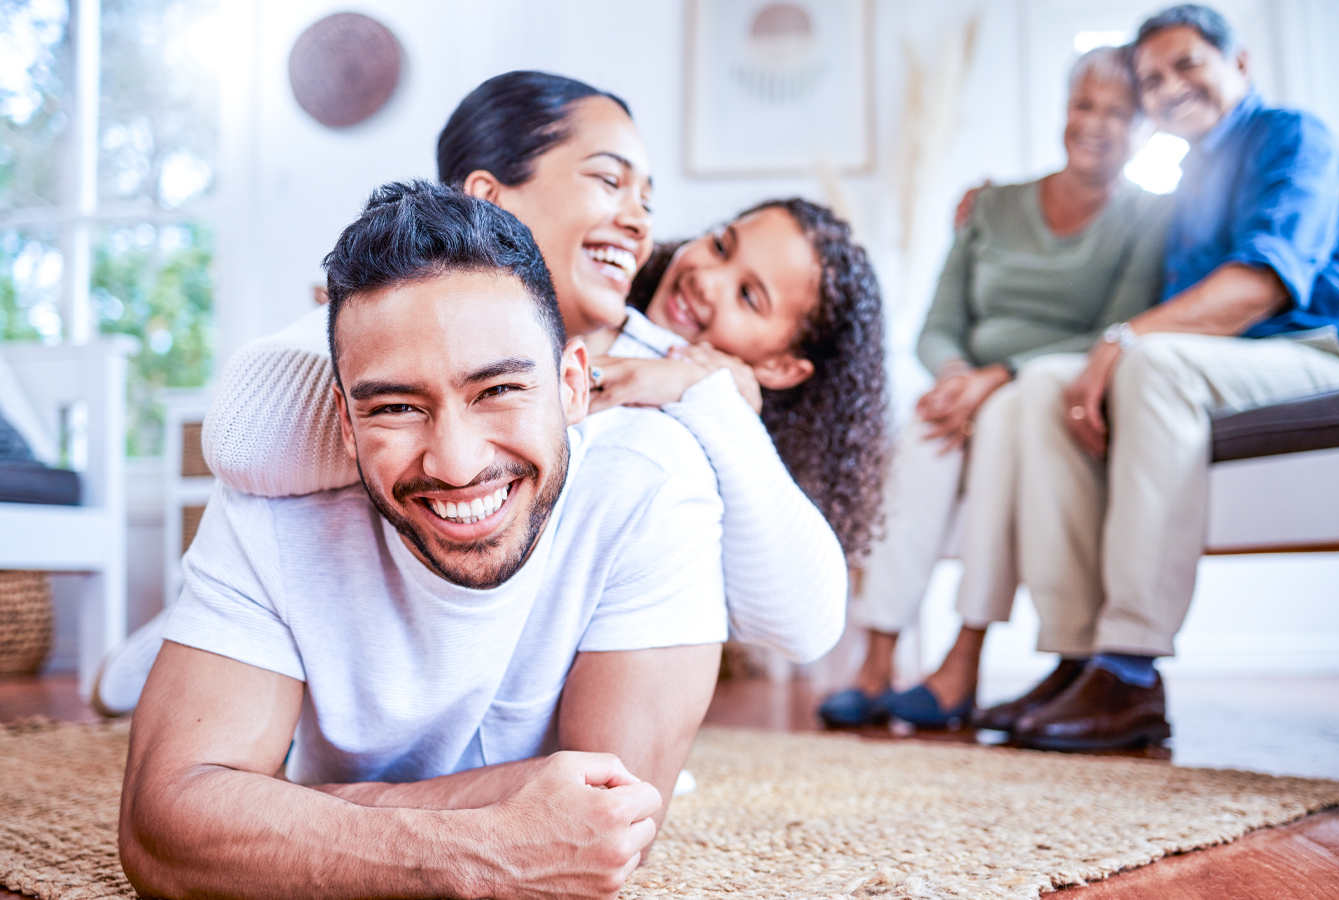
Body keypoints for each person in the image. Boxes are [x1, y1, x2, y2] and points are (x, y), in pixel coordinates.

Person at [91, 71, 886, 715]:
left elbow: (806, 621)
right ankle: (213, 623)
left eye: (647, 200)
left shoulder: (669, 378)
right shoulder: (402, 304)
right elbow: (243, 442)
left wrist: (702, 393)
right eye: (611, 182)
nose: (644, 227)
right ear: (487, 198)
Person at [120, 181, 728, 899]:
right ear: (345, 424)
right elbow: (163, 831)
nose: (457, 463)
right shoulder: (272, 504)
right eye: (398, 407)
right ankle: (131, 668)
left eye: (497, 390)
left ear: (572, 386)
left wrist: (285, 806)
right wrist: (479, 848)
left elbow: (607, 824)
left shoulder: (654, 484)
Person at [991, 4, 1339, 750]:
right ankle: (1076, 651)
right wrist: (996, 203)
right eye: (1151, 79)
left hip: (1326, 352)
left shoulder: (1294, 138)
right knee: (1043, 386)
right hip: (1233, 366)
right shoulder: (1186, 184)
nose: (1170, 86)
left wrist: (1122, 341)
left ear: (1237, 63)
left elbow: (1258, 289)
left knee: (1150, 361)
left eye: (1187, 64)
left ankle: (1130, 670)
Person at [817, 46, 1172, 729]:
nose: (1095, 124)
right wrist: (955, 376)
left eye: (1119, 113)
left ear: (1144, 127)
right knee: (923, 433)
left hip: (1038, 387)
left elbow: (1113, 329)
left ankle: (964, 656)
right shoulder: (993, 205)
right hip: (967, 385)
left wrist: (996, 376)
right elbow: (938, 324)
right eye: (1083, 105)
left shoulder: (1146, 220)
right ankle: (875, 657)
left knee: (1012, 415)